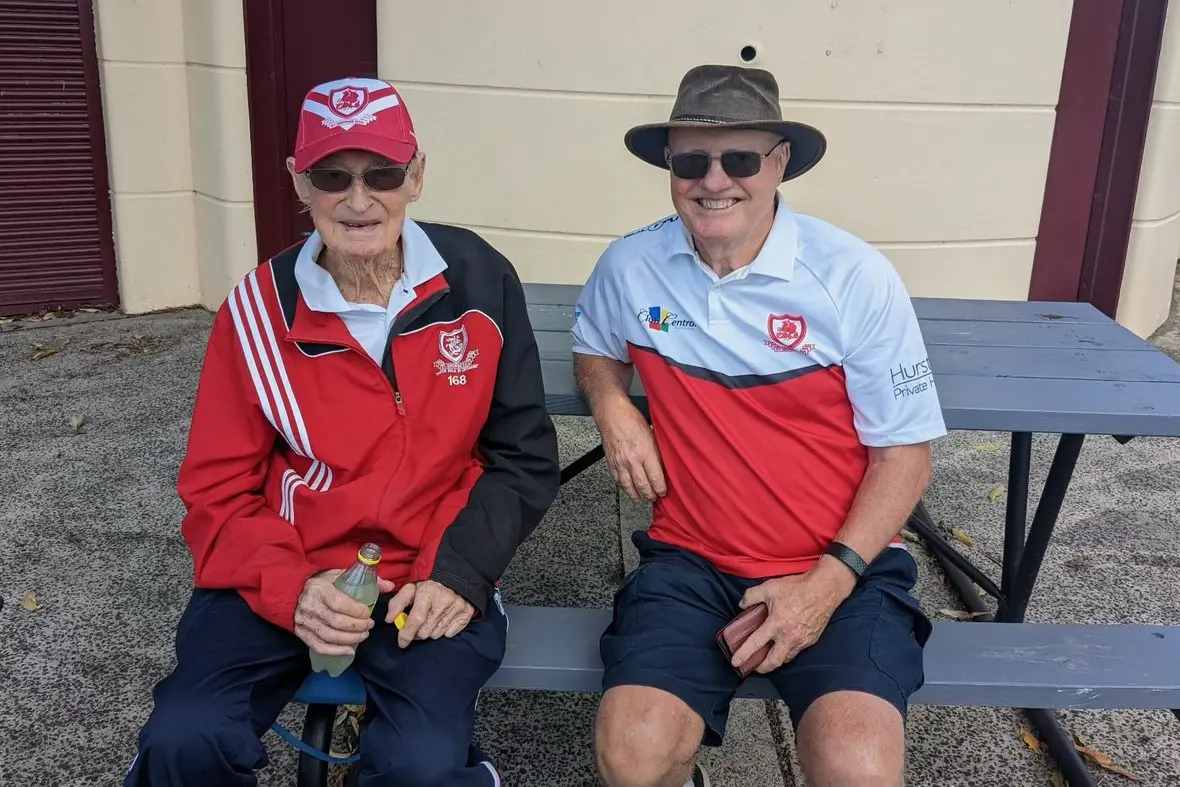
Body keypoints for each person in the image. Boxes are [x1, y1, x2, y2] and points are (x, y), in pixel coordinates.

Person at [123, 76, 560, 786]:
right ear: (300, 182)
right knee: (184, 739)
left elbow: (522, 456)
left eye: (382, 172)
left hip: (426, 574)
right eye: (333, 175)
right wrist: (294, 587)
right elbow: (217, 490)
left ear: (416, 176)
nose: (359, 200)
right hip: (288, 568)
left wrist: (459, 573)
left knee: (417, 767)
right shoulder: (256, 310)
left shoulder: (479, 279)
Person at [571, 64, 946, 787]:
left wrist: (823, 586)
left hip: (839, 567)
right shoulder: (631, 264)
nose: (715, 180)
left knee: (858, 767)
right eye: (690, 160)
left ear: (779, 164)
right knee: (633, 753)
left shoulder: (852, 275)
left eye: (740, 158)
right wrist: (614, 407)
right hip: (691, 559)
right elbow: (594, 346)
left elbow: (906, 458)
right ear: (669, 168)